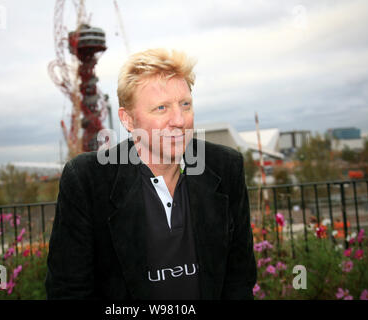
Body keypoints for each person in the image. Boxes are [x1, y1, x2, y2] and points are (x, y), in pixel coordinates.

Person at [45, 48, 257, 300]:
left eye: (185, 104)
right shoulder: (88, 179)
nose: (179, 120)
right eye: (161, 108)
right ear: (128, 119)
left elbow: (239, 279)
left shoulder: (225, 167)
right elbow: (68, 291)